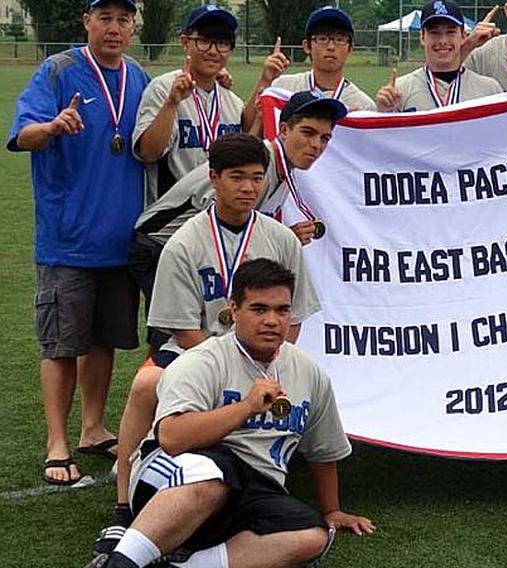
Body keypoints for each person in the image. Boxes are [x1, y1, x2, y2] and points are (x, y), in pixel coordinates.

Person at [94, 123, 340, 559]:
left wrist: (269, 356)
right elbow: (181, 327)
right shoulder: (184, 242)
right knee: (146, 384)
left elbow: (293, 315)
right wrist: (226, 358)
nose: (248, 188)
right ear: (214, 178)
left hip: (264, 352)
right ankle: (121, 506)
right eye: (237, 177)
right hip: (198, 348)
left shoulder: (280, 238)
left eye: (257, 178)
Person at [90, 258, 373, 568]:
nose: (272, 320)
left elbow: (323, 450)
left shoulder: (308, 371)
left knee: (314, 535)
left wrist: (331, 510)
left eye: (282, 310)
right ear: (233, 310)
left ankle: (181, 565)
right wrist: (246, 407)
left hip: (254, 491)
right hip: (172, 480)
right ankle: (122, 562)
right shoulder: (201, 361)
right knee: (214, 474)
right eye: (259, 309)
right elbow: (171, 438)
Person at [7, 0, 150, 486]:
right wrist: (51, 127)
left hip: (120, 238)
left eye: (123, 20)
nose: (114, 28)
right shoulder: (59, 70)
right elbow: (23, 135)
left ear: (133, 27)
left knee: (103, 340)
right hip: (68, 239)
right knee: (62, 344)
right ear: (86, 22)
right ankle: (57, 442)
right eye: (104, 18)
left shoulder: (139, 78)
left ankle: (92, 428)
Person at [128, 89, 340, 354]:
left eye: (325, 138)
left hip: (194, 247)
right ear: (284, 130)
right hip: (159, 243)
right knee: (172, 335)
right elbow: (214, 221)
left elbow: (245, 228)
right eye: (307, 133)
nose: (316, 145)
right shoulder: (254, 165)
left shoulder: (280, 167)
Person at [133, 4, 245, 201]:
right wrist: (172, 103)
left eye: (222, 43)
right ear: (185, 42)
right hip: (172, 221)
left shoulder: (232, 102)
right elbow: (149, 153)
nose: (213, 51)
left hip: (218, 218)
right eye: (204, 41)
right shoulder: (163, 88)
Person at [243, 5, 375, 134]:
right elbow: (246, 128)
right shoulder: (283, 87)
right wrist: (265, 80)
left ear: (350, 48)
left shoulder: (363, 105)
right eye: (322, 38)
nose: (331, 46)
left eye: (339, 39)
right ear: (307, 46)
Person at [375, 0, 501, 112]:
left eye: (450, 32)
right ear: (422, 37)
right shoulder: (399, 91)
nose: (442, 41)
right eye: (434, 33)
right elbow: (385, 136)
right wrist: (384, 112)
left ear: (463, 36)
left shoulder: (490, 90)